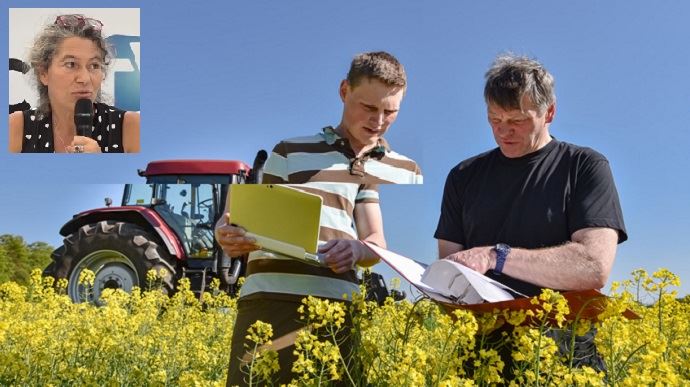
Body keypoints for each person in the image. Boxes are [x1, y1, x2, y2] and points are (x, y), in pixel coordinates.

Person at [216, 51, 421, 385]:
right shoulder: (288, 151)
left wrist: (356, 249)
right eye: (369, 108)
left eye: (391, 111)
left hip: (336, 307)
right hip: (269, 301)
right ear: (344, 91)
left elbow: (376, 242)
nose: (379, 120)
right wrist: (225, 233)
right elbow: (239, 218)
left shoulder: (368, 170)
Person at [434, 54, 627, 372]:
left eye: (517, 121)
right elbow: (449, 270)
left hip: (564, 358)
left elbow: (593, 267)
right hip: (482, 356)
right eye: (494, 120)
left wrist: (497, 256)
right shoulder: (462, 176)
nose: (503, 131)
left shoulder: (585, 167)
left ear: (549, 111)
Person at [8, 14, 140, 153]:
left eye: (94, 65)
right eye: (71, 64)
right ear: (43, 73)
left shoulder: (130, 126)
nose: (85, 78)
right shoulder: (17, 127)